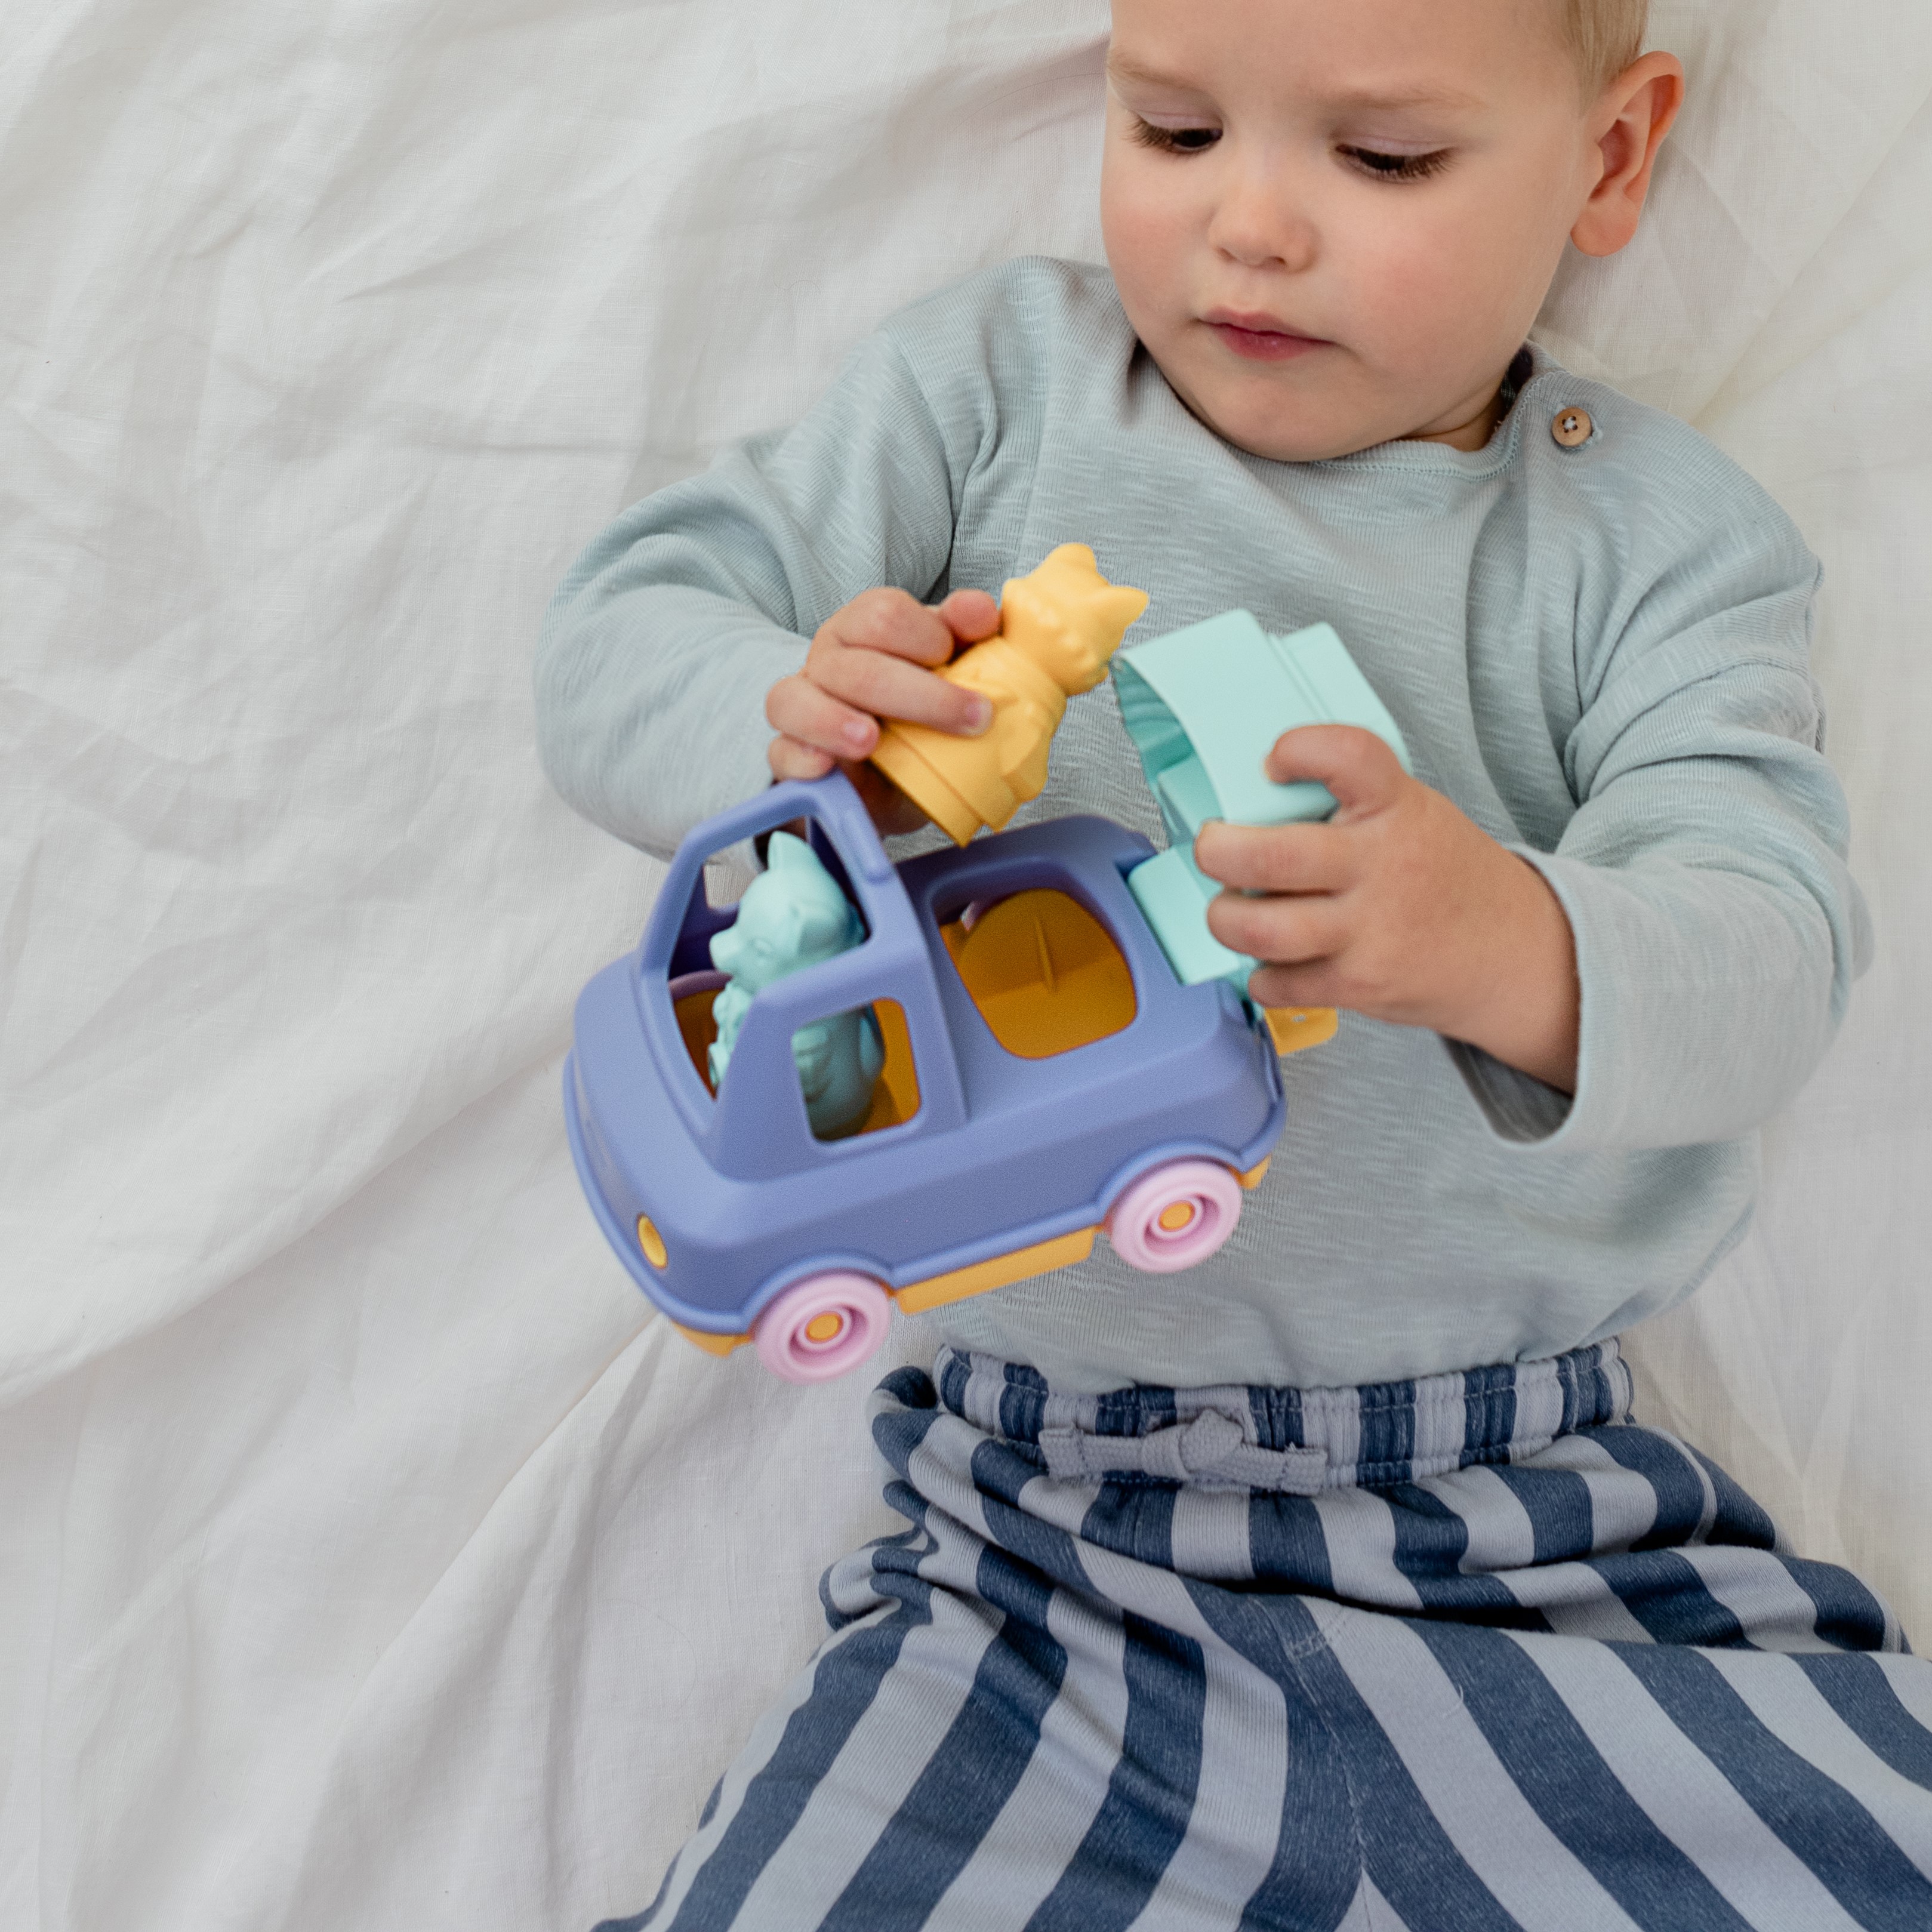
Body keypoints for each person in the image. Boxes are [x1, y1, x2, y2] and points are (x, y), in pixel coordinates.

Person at [536, 0, 1932, 1924]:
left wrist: (1494, 936)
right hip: (1037, 1556)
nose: (1250, 227)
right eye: (1176, 129)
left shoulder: (1656, 547)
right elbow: (615, 630)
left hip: (1531, 1530)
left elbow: (1773, 953)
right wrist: (791, 717)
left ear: (1608, 161)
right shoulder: (993, 391)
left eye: (1382, 158)